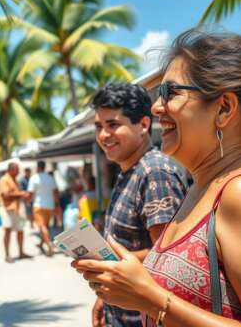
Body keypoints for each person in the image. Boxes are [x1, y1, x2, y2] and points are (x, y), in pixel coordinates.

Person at [73, 30, 241, 326]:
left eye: (171, 93)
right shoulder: (205, 188)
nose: (157, 107)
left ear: (224, 109)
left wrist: (151, 299)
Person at [88, 82, 188, 327]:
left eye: (113, 125)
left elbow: (168, 257)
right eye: (99, 126)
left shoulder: (155, 173)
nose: (103, 135)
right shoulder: (129, 169)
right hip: (122, 313)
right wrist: (105, 296)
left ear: (143, 125)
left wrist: (107, 266)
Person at [0, 162, 32, 263]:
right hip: (6, 208)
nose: (19, 172)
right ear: (11, 170)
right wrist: (21, 194)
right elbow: (6, 195)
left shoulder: (15, 180)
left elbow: (15, 193)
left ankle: (21, 252)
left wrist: (23, 195)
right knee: (7, 231)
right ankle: (7, 255)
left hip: (16, 208)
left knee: (20, 230)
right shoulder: (4, 179)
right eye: (17, 170)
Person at [27, 160, 59, 256]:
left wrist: (28, 201)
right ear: (44, 167)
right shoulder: (50, 178)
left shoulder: (34, 178)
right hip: (49, 205)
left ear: (37, 167)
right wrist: (57, 205)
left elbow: (30, 193)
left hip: (38, 205)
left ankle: (49, 245)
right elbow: (55, 192)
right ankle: (41, 243)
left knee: (42, 226)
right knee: (45, 226)